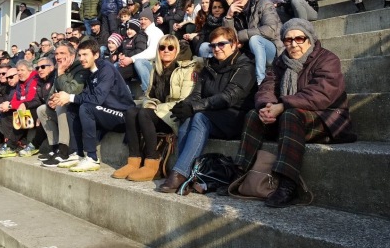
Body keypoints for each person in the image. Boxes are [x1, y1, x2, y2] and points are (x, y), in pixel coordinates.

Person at [234, 19, 355, 208]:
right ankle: (240, 172)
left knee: (291, 115)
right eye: (288, 39)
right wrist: (267, 106)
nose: (293, 44)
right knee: (253, 115)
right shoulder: (281, 62)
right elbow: (267, 86)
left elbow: (320, 95)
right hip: (291, 118)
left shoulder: (327, 59)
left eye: (299, 38)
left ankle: (287, 183)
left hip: (327, 118)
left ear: (310, 39)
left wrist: (282, 105)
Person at [158, 27, 256, 193]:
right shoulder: (209, 67)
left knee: (199, 117)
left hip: (235, 117)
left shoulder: (245, 67)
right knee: (187, 117)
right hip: (213, 113)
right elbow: (196, 94)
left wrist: (193, 107)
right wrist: (184, 106)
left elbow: (229, 96)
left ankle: (181, 172)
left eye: (222, 44)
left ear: (234, 45)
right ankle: (182, 173)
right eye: (213, 45)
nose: (216, 49)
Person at [112, 35, 198, 182]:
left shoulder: (186, 69)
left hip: (174, 115)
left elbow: (184, 100)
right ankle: (134, 161)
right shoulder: (155, 69)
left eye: (170, 47)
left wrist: (156, 108)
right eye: (162, 47)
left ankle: (152, 164)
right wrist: (151, 104)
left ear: (176, 50)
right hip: (158, 112)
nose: (166, 51)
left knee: (144, 113)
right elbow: (149, 95)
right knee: (131, 112)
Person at [51, 39, 135, 172]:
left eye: (85, 55)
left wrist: (71, 97)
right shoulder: (89, 72)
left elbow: (96, 99)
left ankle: (92, 158)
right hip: (103, 112)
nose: (82, 59)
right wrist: (65, 99)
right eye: (80, 55)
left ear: (96, 55)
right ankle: (77, 153)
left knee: (86, 107)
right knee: (73, 108)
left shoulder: (106, 69)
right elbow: (86, 96)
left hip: (122, 115)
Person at [38, 41, 90, 167]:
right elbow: (52, 92)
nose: (58, 56)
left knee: (61, 104)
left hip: (77, 108)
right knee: (42, 109)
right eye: (56, 53)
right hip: (63, 107)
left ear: (72, 55)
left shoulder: (80, 67)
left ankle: (64, 150)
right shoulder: (60, 68)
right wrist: (51, 100)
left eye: (62, 53)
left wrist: (61, 73)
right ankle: (54, 147)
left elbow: (74, 90)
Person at [223, 0, 283, 85]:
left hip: (274, 50)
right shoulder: (234, 11)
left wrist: (241, 36)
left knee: (255, 40)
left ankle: (261, 81)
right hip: (251, 53)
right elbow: (229, 37)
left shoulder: (264, 3)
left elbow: (270, 30)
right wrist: (229, 17)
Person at [118, 8, 164, 96]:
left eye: (145, 19)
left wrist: (131, 59)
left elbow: (152, 53)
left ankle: (148, 91)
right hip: (143, 64)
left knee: (139, 62)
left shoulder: (155, 32)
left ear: (151, 20)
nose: (142, 21)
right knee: (119, 67)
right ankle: (127, 95)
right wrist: (123, 57)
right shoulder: (142, 32)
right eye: (141, 19)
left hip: (155, 65)